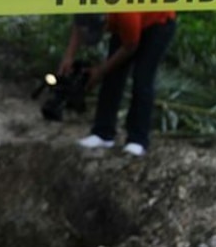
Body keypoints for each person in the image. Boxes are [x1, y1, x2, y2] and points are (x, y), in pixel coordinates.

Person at [70, 11, 177, 157]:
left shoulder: (126, 13)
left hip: (157, 23)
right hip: (126, 24)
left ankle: (138, 139)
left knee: (142, 79)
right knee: (112, 76)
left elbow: (130, 46)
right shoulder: (89, 5)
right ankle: (103, 133)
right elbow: (80, 23)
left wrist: (99, 71)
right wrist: (68, 57)